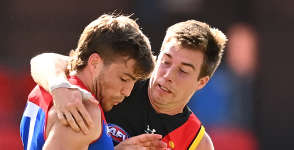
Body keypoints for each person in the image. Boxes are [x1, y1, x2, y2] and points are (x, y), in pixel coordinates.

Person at [30, 19, 227, 149]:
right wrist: (59, 87)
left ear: (202, 82)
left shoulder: (196, 142)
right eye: (165, 61)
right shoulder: (121, 77)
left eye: (183, 71)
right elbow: (44, 61)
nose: (167, 75)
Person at [20, 14, 168, 150]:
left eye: (133, 82)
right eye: (124, 78)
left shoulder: (54, 80)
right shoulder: (83, 111)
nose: (127, 92)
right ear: (95, 62)